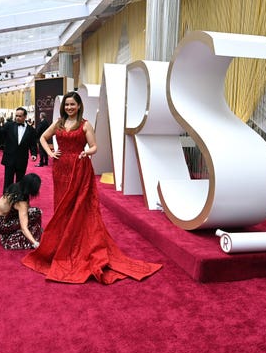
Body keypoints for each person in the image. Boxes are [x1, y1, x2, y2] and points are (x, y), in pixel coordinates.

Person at [21, 91, 162, 284]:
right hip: (60, 169)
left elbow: (95, 146)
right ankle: (62, 245)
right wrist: (50, 152)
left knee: (79, 207)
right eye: (67, 105)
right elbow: (43, 138)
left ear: (79, 106)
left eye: (73, 105)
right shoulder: (59, 123)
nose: (69, 107)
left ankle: (77, 246)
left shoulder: (85, 124)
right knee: (62, 206)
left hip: (79, 167)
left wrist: (86, 152)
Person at [0, 173, 42, 250]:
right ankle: (11, 239)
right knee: (36, 213)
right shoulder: (21, 202)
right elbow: (23, 228)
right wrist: (35, 243)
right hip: (3, 225)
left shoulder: (16, 186)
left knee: (31, 212)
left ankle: (33, 232)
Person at [0, 107, 38, 193]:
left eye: (20, 116)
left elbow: (33, 144)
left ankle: (18, 200)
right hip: (9, 158)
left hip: (22, 159)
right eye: (16, 116)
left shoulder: (31, 130)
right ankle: (6, 201)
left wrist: (34, 154)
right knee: (8, 181)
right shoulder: (8, 126)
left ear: (25, 116)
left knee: (20, 181)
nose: (17, 117)